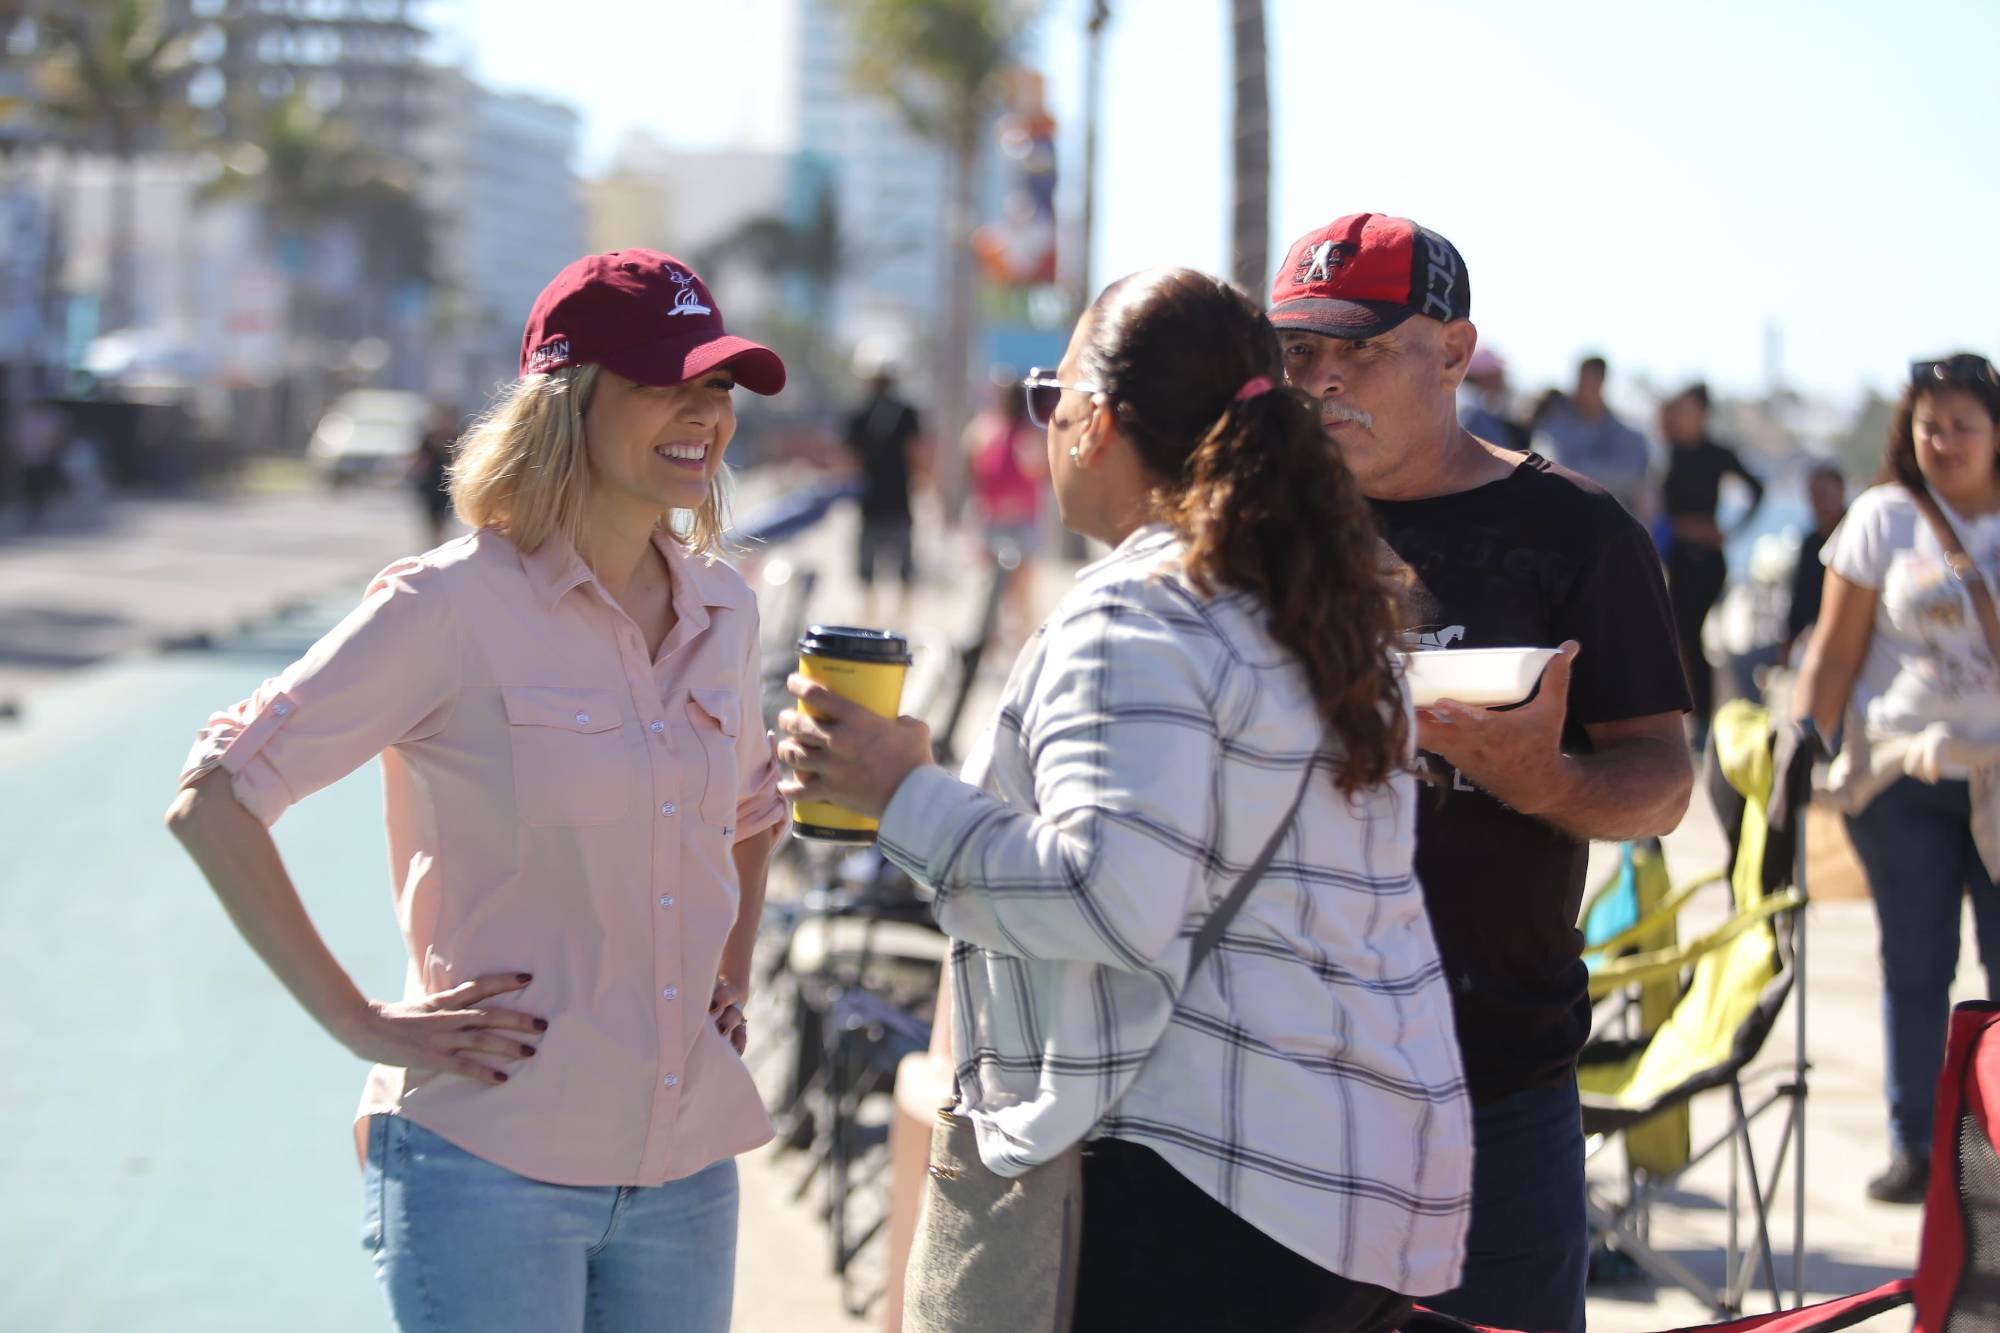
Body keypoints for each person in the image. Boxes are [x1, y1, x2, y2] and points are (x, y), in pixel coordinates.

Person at [778, 268, 1471, 1330]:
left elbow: (1109, 897)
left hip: (1200, 1182)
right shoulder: (1309, 606)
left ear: (1095, 418)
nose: (1045, 425)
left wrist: (902, 795)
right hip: (1350, 1186)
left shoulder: (1138, 614)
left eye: (1048, 396)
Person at [164, 249, 791, 1332]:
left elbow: (749, 812)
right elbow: (214, 800)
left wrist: (724, 975)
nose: (705, 413)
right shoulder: (448, 606)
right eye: (665, 382)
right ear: (569, 398)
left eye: (719, 384)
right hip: (489, 1173)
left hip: (687, 1175)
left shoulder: (725, 610)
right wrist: (360, 1021)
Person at [1271, 212, 1694, 1333]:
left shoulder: (1573, 533)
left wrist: (1541, 779)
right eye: (1299, 351)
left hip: (1489, 1087)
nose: (1323, 379)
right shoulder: (1254, 529)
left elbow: (1662, 781)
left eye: (1360, 348)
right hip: (1266, 1081)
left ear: (1454, 352)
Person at [1785, 352, 2000, 1205]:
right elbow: (1835, 650)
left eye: (1962, 426)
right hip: (1901, 772)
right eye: (1928, 426)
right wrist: (1803, 737)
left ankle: (1993, 1142)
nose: (1943, 442)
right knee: (1916, 963)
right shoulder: (1882, 516)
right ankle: (1917, 1143)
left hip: (1999, 773)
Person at [1660, 382, 1765, 746]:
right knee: (1675, 636)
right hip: (1676, 557)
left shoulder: (1717, 454)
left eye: (1689, 411)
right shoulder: (1670, 451)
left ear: (1702, 414)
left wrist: (1731, 530)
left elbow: (1757, 489)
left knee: (1692, 636)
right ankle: (1683, 714)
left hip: (1706, 560)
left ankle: (1702, 718)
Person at [843, 339, 926, 624]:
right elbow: (917, 457)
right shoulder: (907, 413)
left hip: (870, 503)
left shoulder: (858, 414)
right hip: (899, 502)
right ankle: (899, 623)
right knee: (903, 570)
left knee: (869, 573)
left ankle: (870, 622)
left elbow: (850, 462)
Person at [963, 365, 1046, 639]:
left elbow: (1038, 470)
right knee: (989, 588)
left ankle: (1022, 643)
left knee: (1021, 592)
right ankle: (989, 642)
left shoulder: (1028, 433)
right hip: (992, 519)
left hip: (1022, 520)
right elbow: (973, 472)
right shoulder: (983, 428)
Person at [1535, 353, 1655, 522]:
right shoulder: (1552, 430)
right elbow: (1547, 472)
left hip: (1615, 529)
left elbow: (1633, 478)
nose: (1585, 386)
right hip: (1565, 525)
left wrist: (1577, 471)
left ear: (1603, 381)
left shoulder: (1630, 436)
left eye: (1592, 380)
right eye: (1582, 379)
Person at [1779, 463, 1849, 667]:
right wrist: (1789, 640)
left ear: (1841, 493)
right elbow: (1800, 599)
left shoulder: (1855, 538)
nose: (1820, 502)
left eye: (1825, 494)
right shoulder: (1810, 544)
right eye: (1815, 496)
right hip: (1811, 636)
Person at [1458, 346, 1528, 452]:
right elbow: (1497, 455)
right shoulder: (1473, 413)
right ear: (1483, 375)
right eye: (1496, 372)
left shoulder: (1464, 403)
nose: (1501, 377)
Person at [409, 401, 458, 547]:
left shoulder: (456, 435)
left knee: (445, 513)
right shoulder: (429, 436)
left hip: (449, 481)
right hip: (431, 481)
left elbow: (462, 457)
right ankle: (434, 538)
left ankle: (439, 537)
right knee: (431, 513)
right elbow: (420, 458)